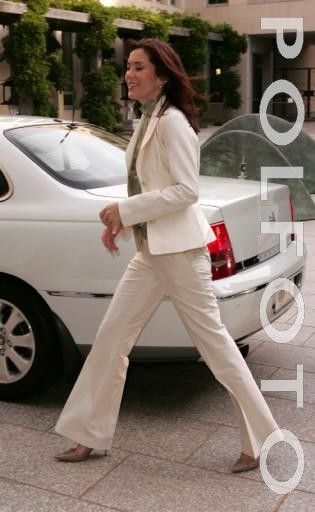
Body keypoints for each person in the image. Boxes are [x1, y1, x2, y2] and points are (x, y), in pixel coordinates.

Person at [54, 38, 283, 472]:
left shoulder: (173, 121)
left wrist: (125, 210)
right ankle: (88, 436)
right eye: (129, 67)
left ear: (162, 75)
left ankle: (263, 440)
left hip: (180, 255)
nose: (129, 74)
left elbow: (185, 191)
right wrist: (124, 223)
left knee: (215, 347)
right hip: (151, 252)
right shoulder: (148, 118)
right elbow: (148, 183)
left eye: (139, 67)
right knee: (110, 339)